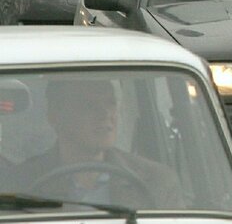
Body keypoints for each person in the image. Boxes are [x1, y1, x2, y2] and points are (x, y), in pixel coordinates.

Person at [18, 78, 183, 209]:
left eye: (111, 103)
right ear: (55, 116)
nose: (105, 114)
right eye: (89, 105)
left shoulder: (156, 182)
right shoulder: (20, 185)